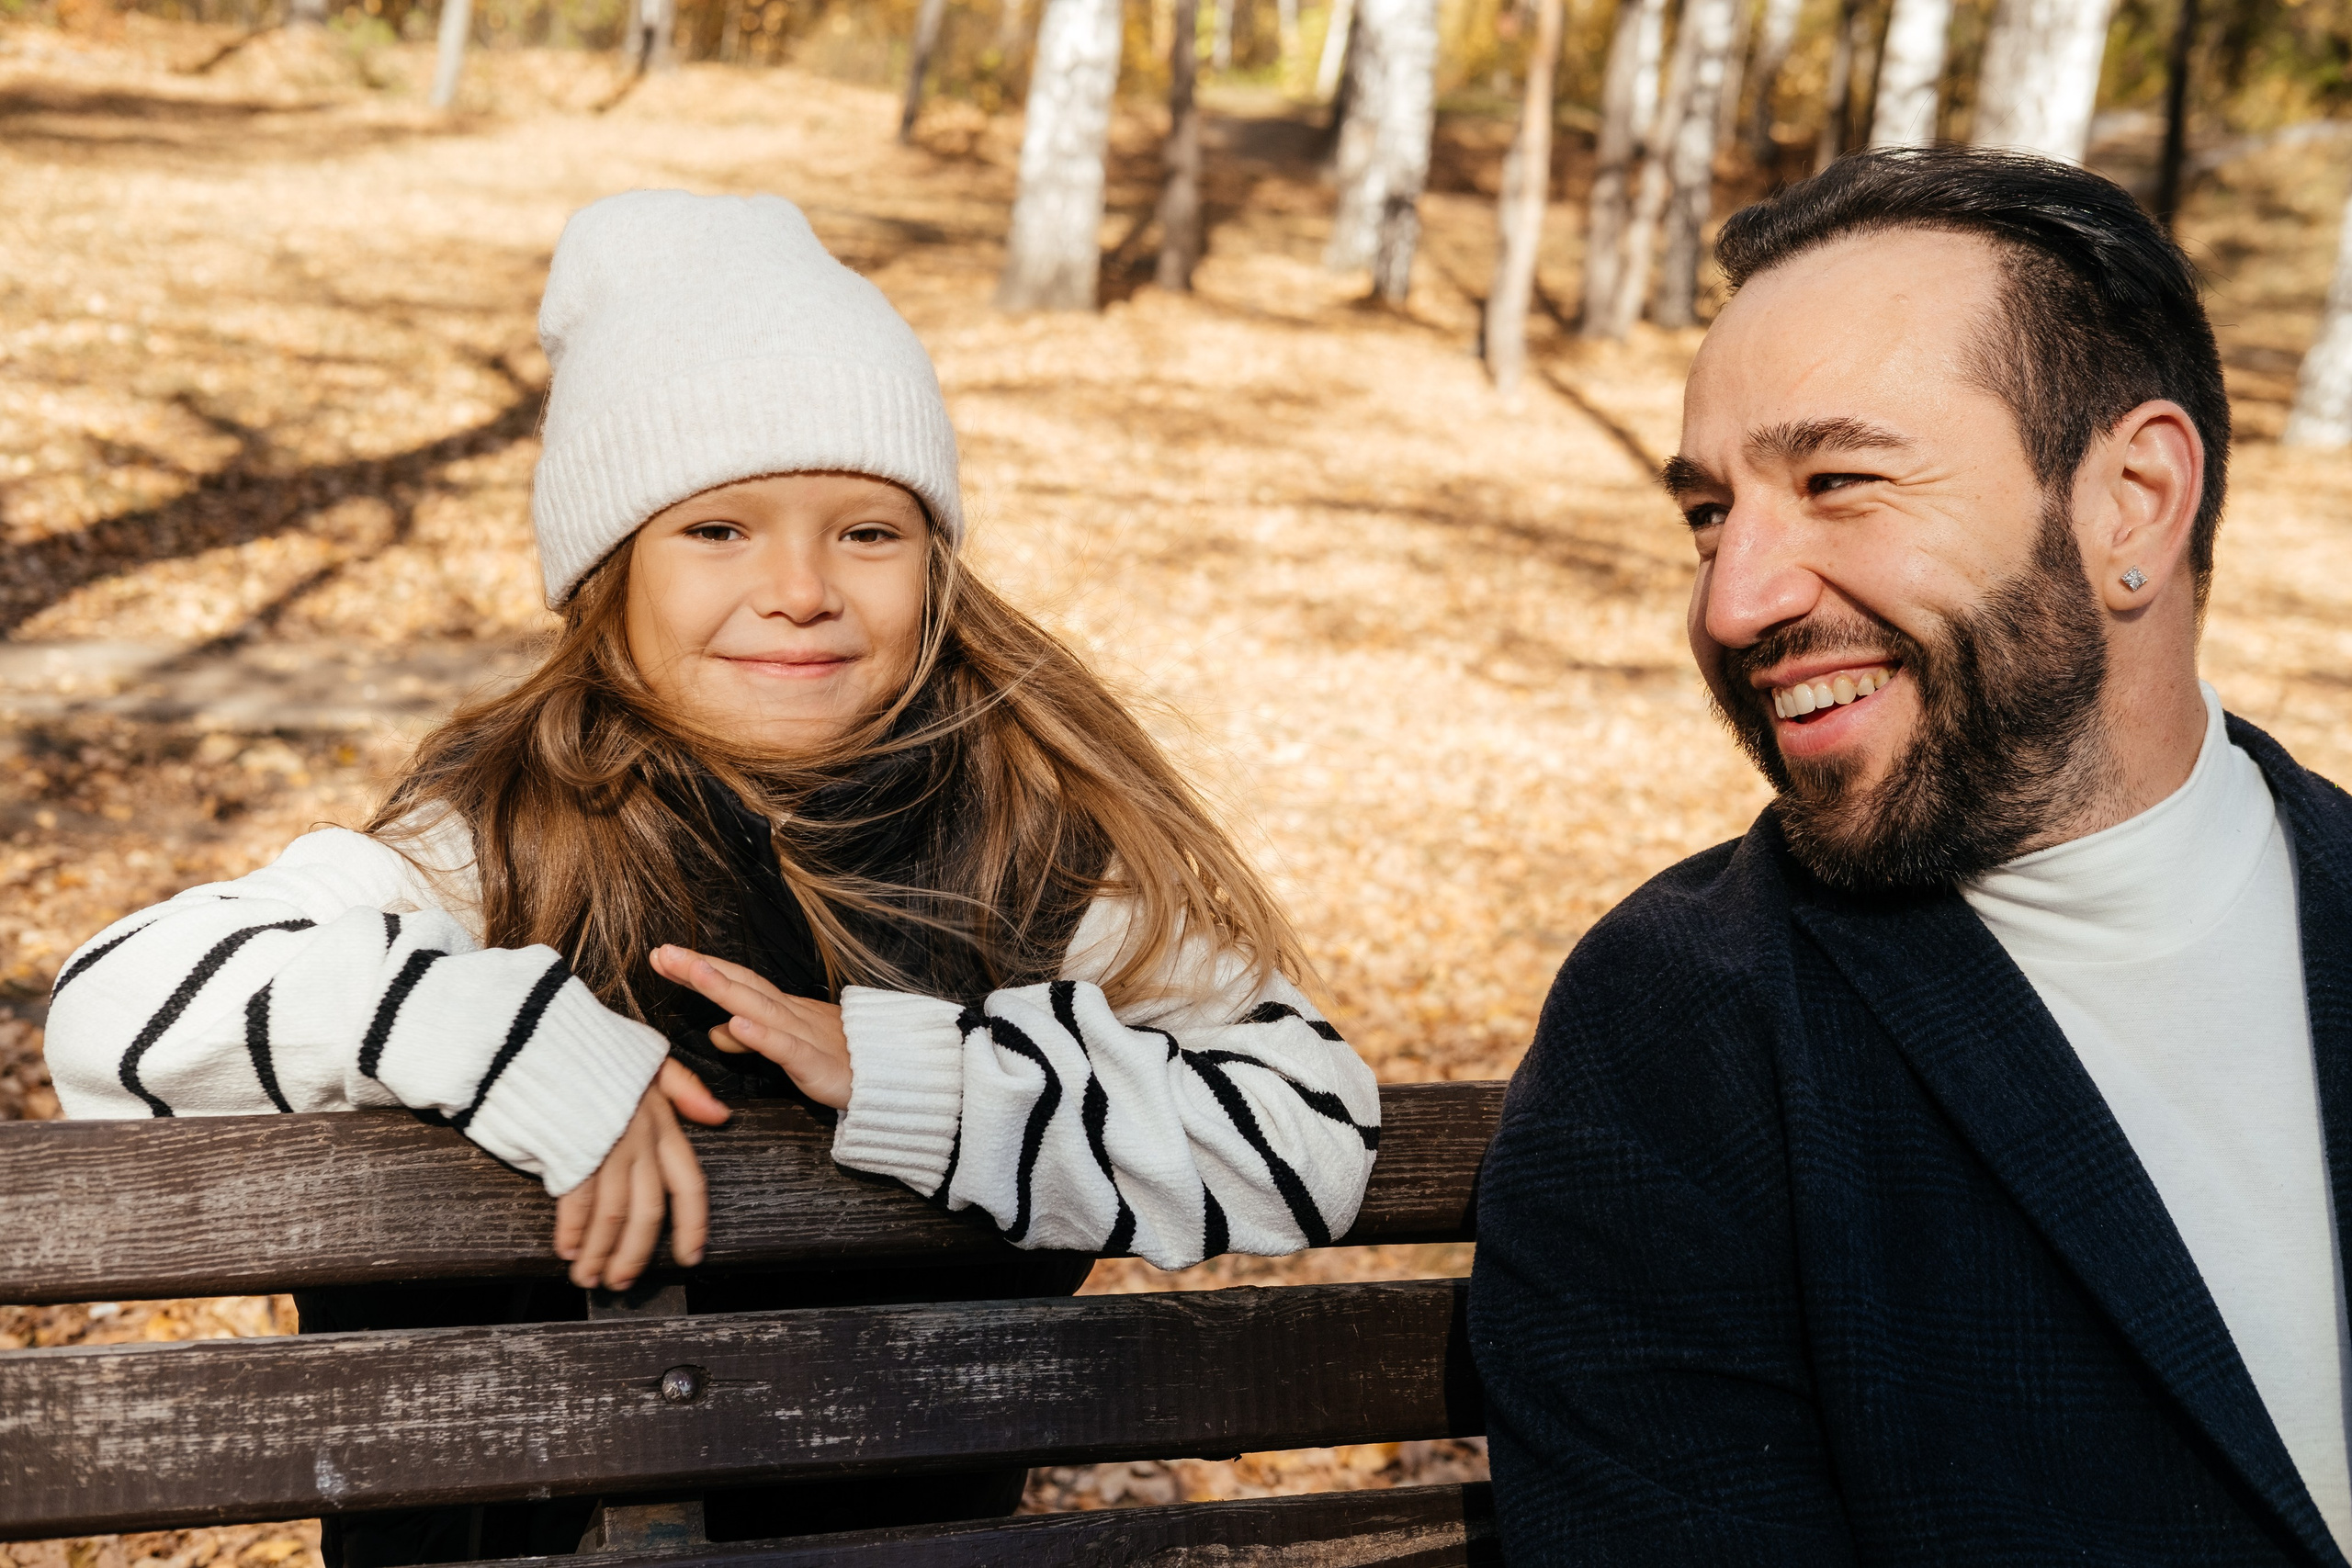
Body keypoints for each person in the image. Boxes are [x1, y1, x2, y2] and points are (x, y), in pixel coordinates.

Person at [44, 190, 1379, 1560]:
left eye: (869, 531)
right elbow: (109, 1015)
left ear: (937, 563)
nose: (802, 587)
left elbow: (1310, 1133)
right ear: (610, 574)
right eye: (718, 530)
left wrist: (925, 1080)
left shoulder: (1033, 856)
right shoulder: (502, 840)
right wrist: (510, 1039)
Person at [1471, 146, 2352, 1565]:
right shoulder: (1687, 1030)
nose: (1735, 599)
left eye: (1838, 479)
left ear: (2133, 500)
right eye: (1709, 514)